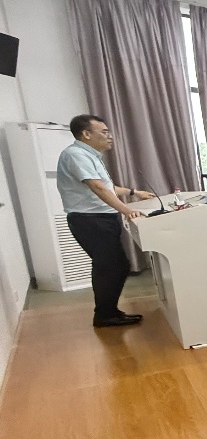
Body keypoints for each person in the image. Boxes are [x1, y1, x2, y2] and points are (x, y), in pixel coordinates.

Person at [56, 114, 154, 327]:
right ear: (86, 134)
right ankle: (104, 315)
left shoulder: (89, 155)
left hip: (100, 219)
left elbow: (108, 187)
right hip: (90, 220)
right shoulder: (76, 155)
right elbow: (97, 187)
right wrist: (126, 210)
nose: (110, 136)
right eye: (105, 132)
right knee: (111, 267)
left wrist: (133, 192)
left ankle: (109, 311)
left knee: (113, 266)